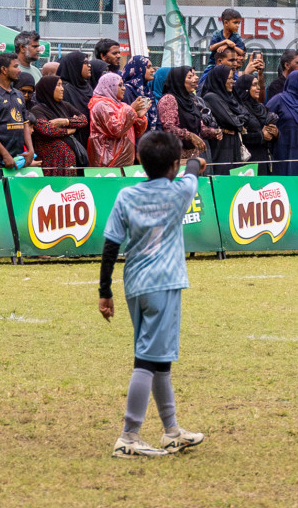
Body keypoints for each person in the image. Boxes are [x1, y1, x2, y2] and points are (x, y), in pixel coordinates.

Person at [98, 131, 207, 458]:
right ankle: (129, 436)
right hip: (164, 283)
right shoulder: (179, 192)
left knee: (158, 360)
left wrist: (105, 291)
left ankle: (171, 431)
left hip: (135, 284)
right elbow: (193, 170)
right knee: (146, 360)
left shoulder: (126, 195)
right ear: (172, 165)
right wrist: (195, 160)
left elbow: (110, 245)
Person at [90, 72, 150, 172]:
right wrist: (131, 110)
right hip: (107, 164)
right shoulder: (101, 105)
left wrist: (139, 116)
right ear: (109, 86)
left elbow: (137, 133)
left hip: (125, 164)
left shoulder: (122, 106)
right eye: (120, 85)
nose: (124, 88)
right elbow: (116, 130)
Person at [27, 76, 80, 176]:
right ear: (48, 88)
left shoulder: (65, 106)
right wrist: (69, 131)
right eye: (58, 85)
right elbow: (46, 129)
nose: (62, 88)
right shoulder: (37, 109)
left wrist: (65, 121)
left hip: (67, 161)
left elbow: (83, 120)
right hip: (50, 162)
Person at [195, 65, 244, 168]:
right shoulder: (212, 97)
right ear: (219, 80)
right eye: (229, 78)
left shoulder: (229, 97)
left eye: (233, 78)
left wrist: (239, 120)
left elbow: (244, 115)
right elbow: (235, 122)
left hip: (232, 143)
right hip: (222, 145)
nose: (232, 82)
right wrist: (239, 121)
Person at [234, 73, 280, 168]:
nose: (258, 88)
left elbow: (269, 133)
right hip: (248, 161)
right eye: (254, 85)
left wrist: (275, 133)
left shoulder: (261, 108)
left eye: (258, 84)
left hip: (265, 158)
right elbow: (238, 137)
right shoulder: (238, 109)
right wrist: (261, 136)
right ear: (245, 88)